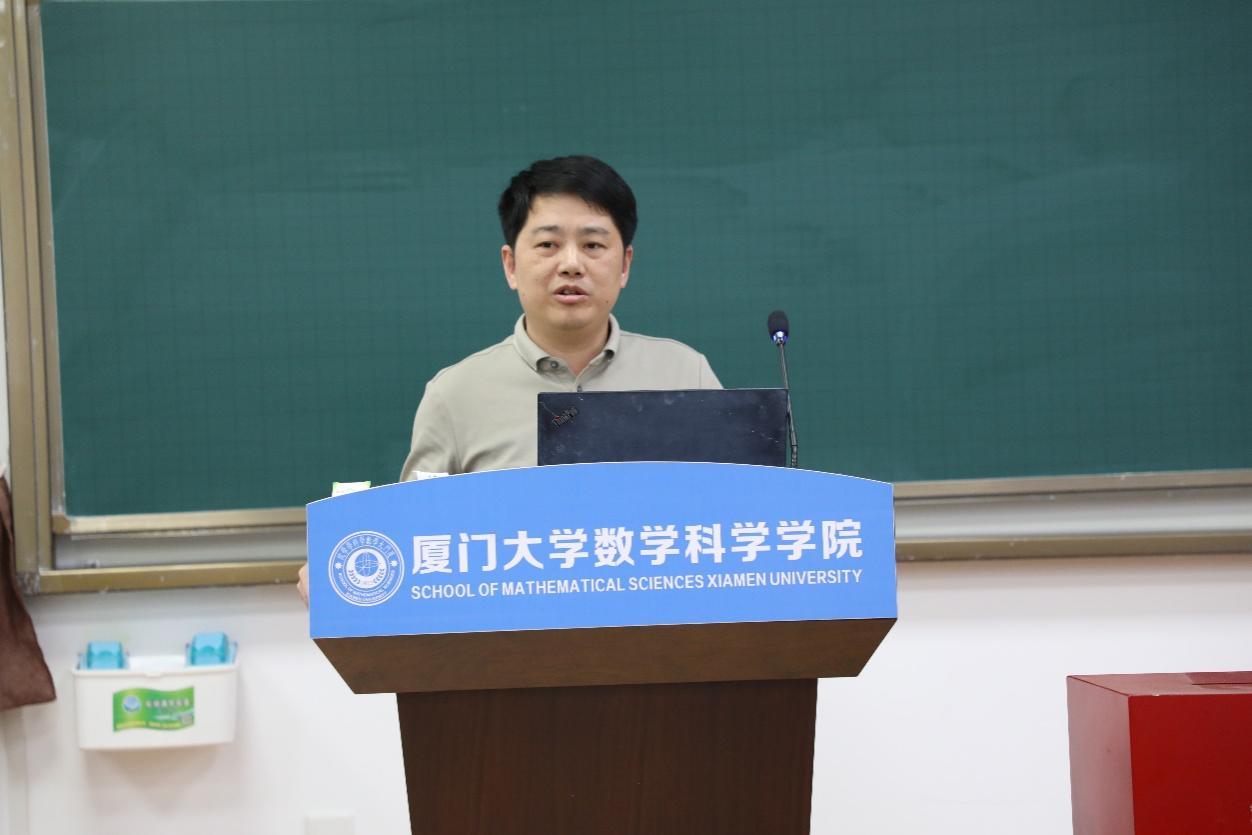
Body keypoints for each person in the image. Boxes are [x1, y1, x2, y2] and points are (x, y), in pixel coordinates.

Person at [297, 155, 720, 602]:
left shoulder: (685, 373)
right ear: (511, 265)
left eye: (593, 245)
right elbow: (417, 535)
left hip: (659, 628)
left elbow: (740, 519)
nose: (571, 264)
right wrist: (341, 572)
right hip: (515, 638)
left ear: (625, 265)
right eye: (548, 245)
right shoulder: (455, 394)